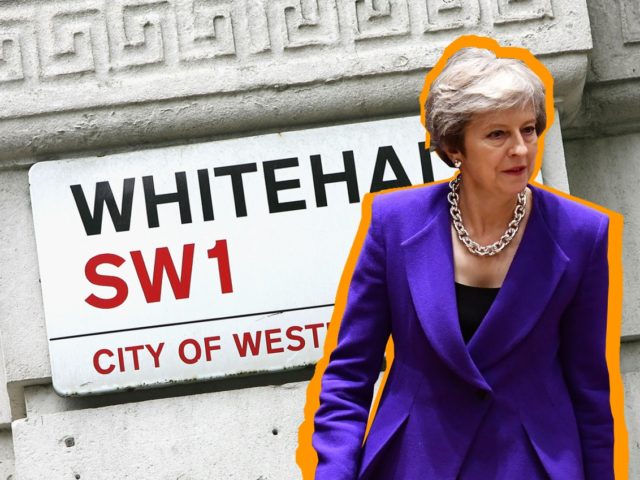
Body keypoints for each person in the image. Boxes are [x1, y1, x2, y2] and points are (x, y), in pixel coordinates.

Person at [310, 45, 616, 479]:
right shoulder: (395, 224)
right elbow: (349, 374)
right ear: (456, 145)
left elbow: (589, 389)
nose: (521, 150)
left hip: (529, 465)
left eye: (528, 130)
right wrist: (335, 472)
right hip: (415, 463)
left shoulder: (582, 233)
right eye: (497, 135)